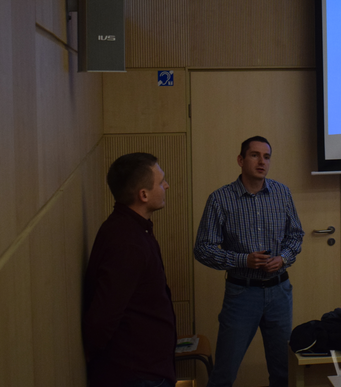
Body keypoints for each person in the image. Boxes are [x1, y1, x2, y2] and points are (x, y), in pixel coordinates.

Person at [194, 136, 305, 387]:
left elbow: (296, 235)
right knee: (224, 373)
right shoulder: (220, 199)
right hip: (242, 294)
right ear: (240, 160)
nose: (261, 162)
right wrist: (243, 260)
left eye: (266, 157)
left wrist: (283, 258)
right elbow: (202, 249)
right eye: (255, 155)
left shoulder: (282, 193)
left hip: (279, 291)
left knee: (283, 371)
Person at [83, 152, 177, 387]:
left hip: (145, 369)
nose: (167, 185)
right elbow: (102, 318)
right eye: (161, 181)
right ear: (143, 195)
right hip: (136, 374)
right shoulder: (128, 244)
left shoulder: (132, 228)